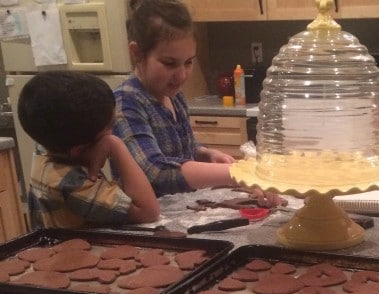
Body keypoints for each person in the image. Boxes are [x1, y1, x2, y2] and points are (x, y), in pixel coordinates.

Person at [113, 0, 279, 206]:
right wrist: (238, 172)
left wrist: (206, 155)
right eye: (169, 63)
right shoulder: (125, 102)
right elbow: (155, 172)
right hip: (144, 219)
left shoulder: (174, 96)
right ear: (137, 53)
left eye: (189, 62)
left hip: (178, 209)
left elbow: (183, 150)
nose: (182, 74)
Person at [17, 71, 160, 231]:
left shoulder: (44, 149)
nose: (112, 132)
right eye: (110, 126)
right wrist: (115, 145)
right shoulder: (71, 183)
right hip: (74, 255)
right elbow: (149, 212)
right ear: (79, 150)